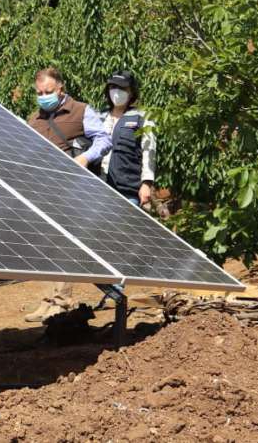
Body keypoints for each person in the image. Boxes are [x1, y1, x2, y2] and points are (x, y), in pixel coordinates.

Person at [24, 67, 111, 322]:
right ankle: (47, 300)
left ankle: (61, 302)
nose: (44, 97)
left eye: (48, 92)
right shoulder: (34, 119)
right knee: (48, 247)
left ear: (60, 88)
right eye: (39, 93)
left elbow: (104, 140)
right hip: (46, 190)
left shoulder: (82, 111)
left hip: (75, 189)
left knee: (64, 246)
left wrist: (85, 158)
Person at [98, 70, 158, 210]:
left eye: (122, 88)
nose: (117, 92)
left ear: (131, 92)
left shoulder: (143, 118)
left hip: (128, 191)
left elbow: (149, 152)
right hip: (99, 187)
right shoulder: (99, 117)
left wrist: (146, 184)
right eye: (113, 87)